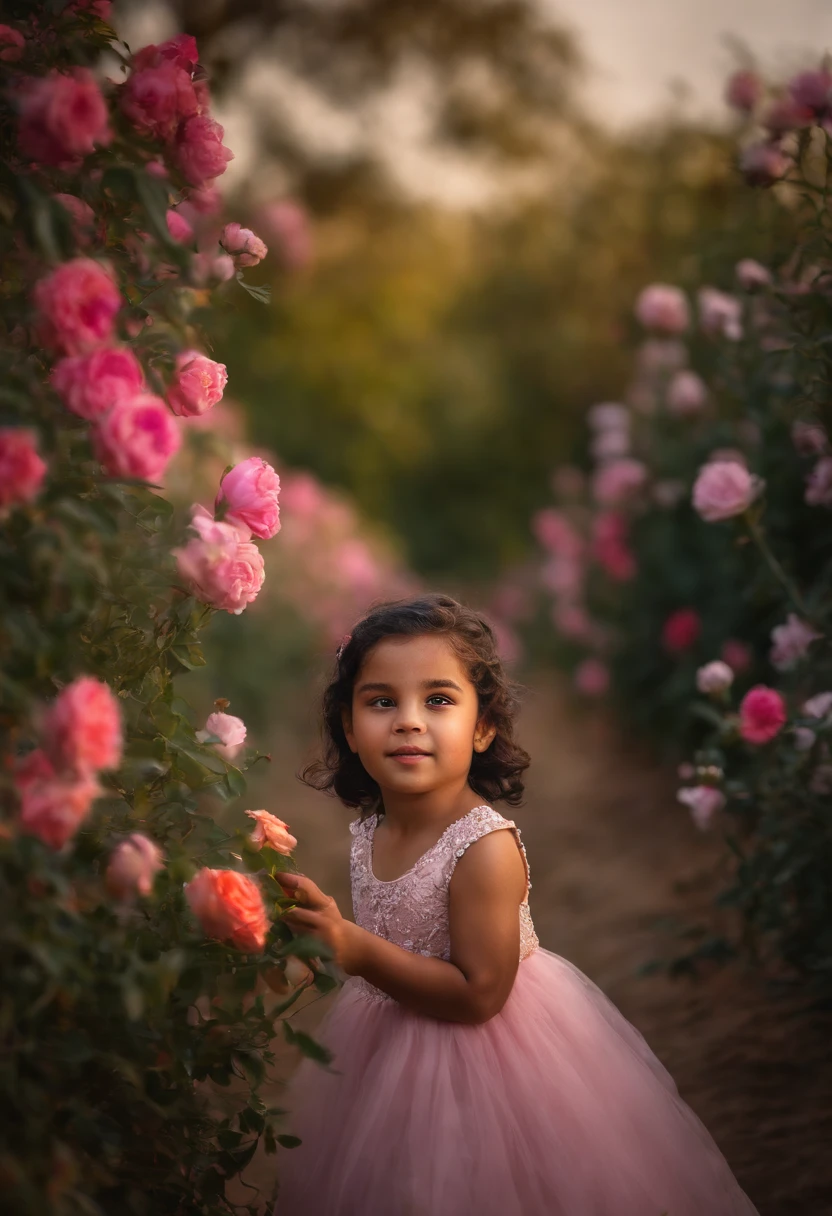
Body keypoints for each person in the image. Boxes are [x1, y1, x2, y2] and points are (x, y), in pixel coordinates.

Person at [273, 593, 758, 1216]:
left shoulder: (482, 847)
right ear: (348, 725)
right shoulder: (372, 831)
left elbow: (480, 995)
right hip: (384, 1047)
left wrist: (356, 949)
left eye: (439, 700)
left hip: (489, 1064)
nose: (408, 720)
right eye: (381, 701)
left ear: (483, 726)